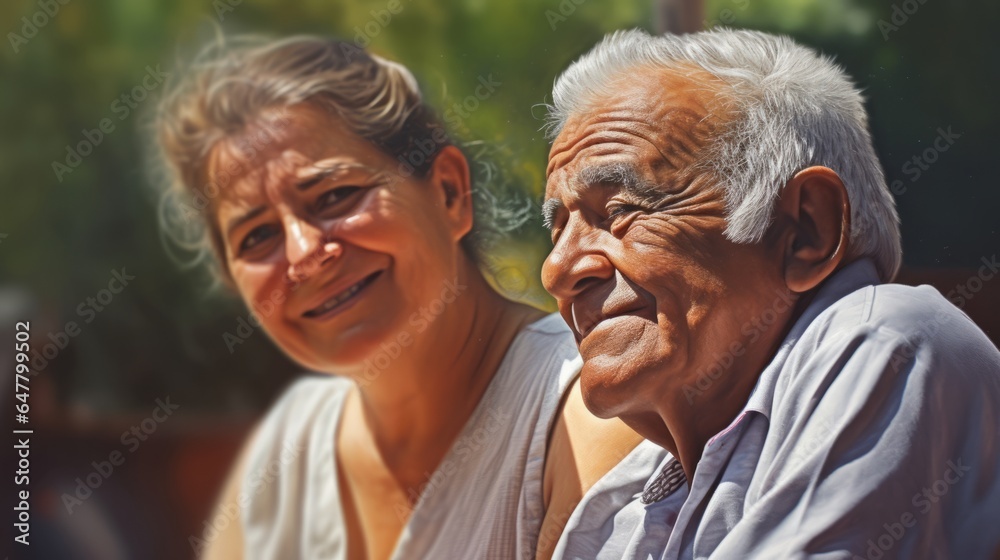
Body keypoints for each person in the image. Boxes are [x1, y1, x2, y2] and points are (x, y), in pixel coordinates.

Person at [152, 36, 662, 559]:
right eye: (256, 237)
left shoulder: (591, 418)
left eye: (334, 196)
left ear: (447, 191)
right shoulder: (287, 453)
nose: (304, 253)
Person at [538, 28, 1000, 559]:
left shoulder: (890, 339)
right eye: (557, 231)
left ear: (807, 230)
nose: (556, 269)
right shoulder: (629, 502)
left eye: (620, 210)